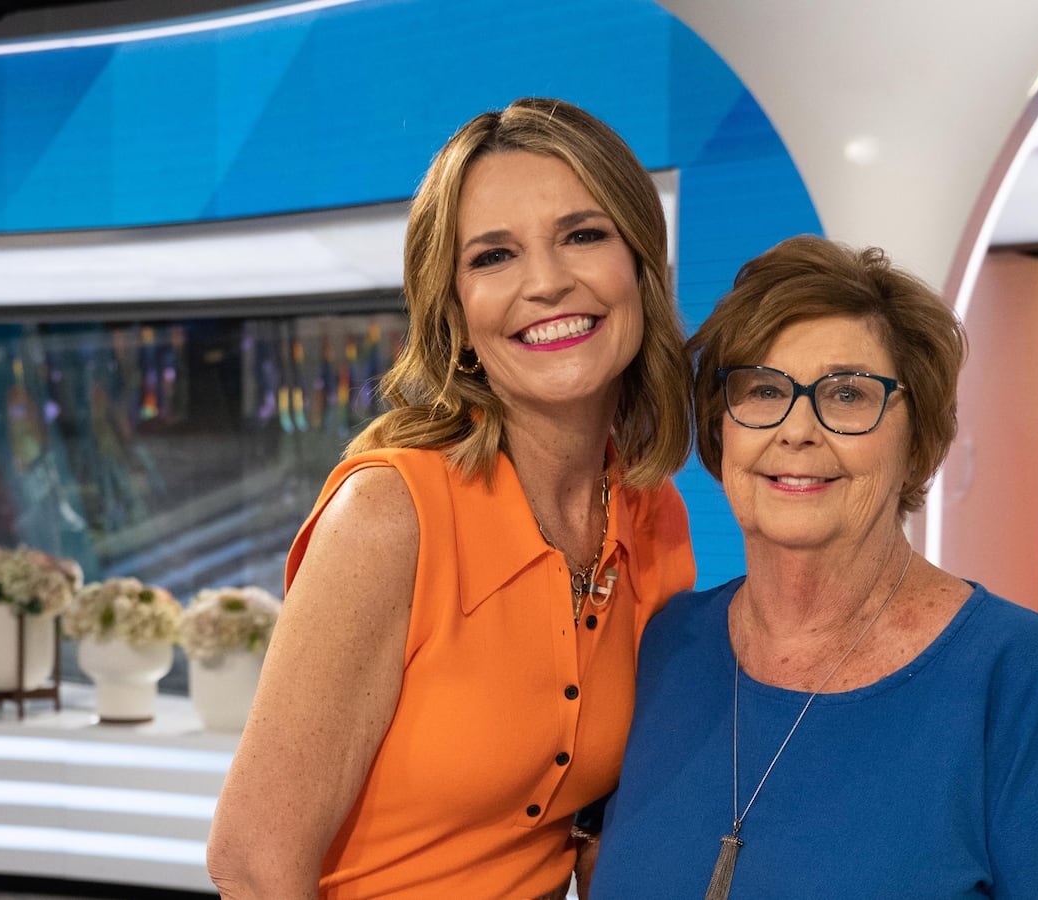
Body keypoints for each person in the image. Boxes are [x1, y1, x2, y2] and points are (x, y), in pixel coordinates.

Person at [207, 98, 696, 899]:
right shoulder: (387, 517)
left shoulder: (654, 512)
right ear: (458, 318)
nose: (546, 282)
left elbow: (601, 830)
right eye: (494, 257)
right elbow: (255, 864)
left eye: (583, 234)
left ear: (641, 266)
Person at [594, 235, 1038, 898]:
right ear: (721, 429)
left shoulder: (1012, 673)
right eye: (764, 390)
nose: (797, 430)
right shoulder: (664, 645)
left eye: (848, 395)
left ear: (917, 439)